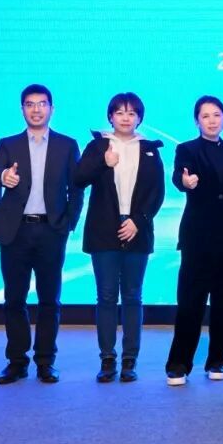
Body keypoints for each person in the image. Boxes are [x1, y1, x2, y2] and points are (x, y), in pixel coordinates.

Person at [0, 84, 83, 385]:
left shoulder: (67, 145)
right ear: (22, 109)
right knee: (14, 298)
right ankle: (16, 361)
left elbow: (76, 188)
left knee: (49, 299)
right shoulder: (8, 144)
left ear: (52, 109)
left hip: (51, 230)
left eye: (42, 104)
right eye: (30, 104)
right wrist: (3, 176)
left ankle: (45, 361)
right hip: (15, 230)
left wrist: (68, 223)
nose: (36, 109)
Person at [74, 92, 165, 383]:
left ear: (139, 118)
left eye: (132, 113)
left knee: (133, 296)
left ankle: (129, 359)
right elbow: (78, 179)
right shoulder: (98, 145)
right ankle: (107, 358)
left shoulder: (150, 149)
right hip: (103, 230)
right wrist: (103, 161)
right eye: (120, 112)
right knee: (106, 296)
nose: (126, 118)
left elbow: (157, 193)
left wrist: (138, 221)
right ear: (110, 117)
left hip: (138, 229)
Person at [165, 96, 223, 385]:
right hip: (198, 236)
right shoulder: (186, 149)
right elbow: (179, 176)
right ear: (197, 121)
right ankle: (179, 363)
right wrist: (184, 182)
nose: (212, 120)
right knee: (190, 302)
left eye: (216, 115)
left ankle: (217, 360)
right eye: (205, 116)